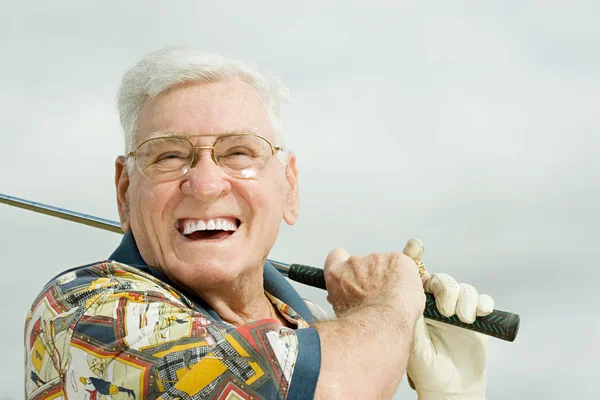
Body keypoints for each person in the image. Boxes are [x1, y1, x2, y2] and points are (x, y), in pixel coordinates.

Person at [24, 47, 494, 399]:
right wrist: (393, 303)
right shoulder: (84, 313)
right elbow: (326, 390)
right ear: (125, 192)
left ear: (289, 187)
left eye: (239, 153)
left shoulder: (321, 327)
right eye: (169, 156)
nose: (206, 184)